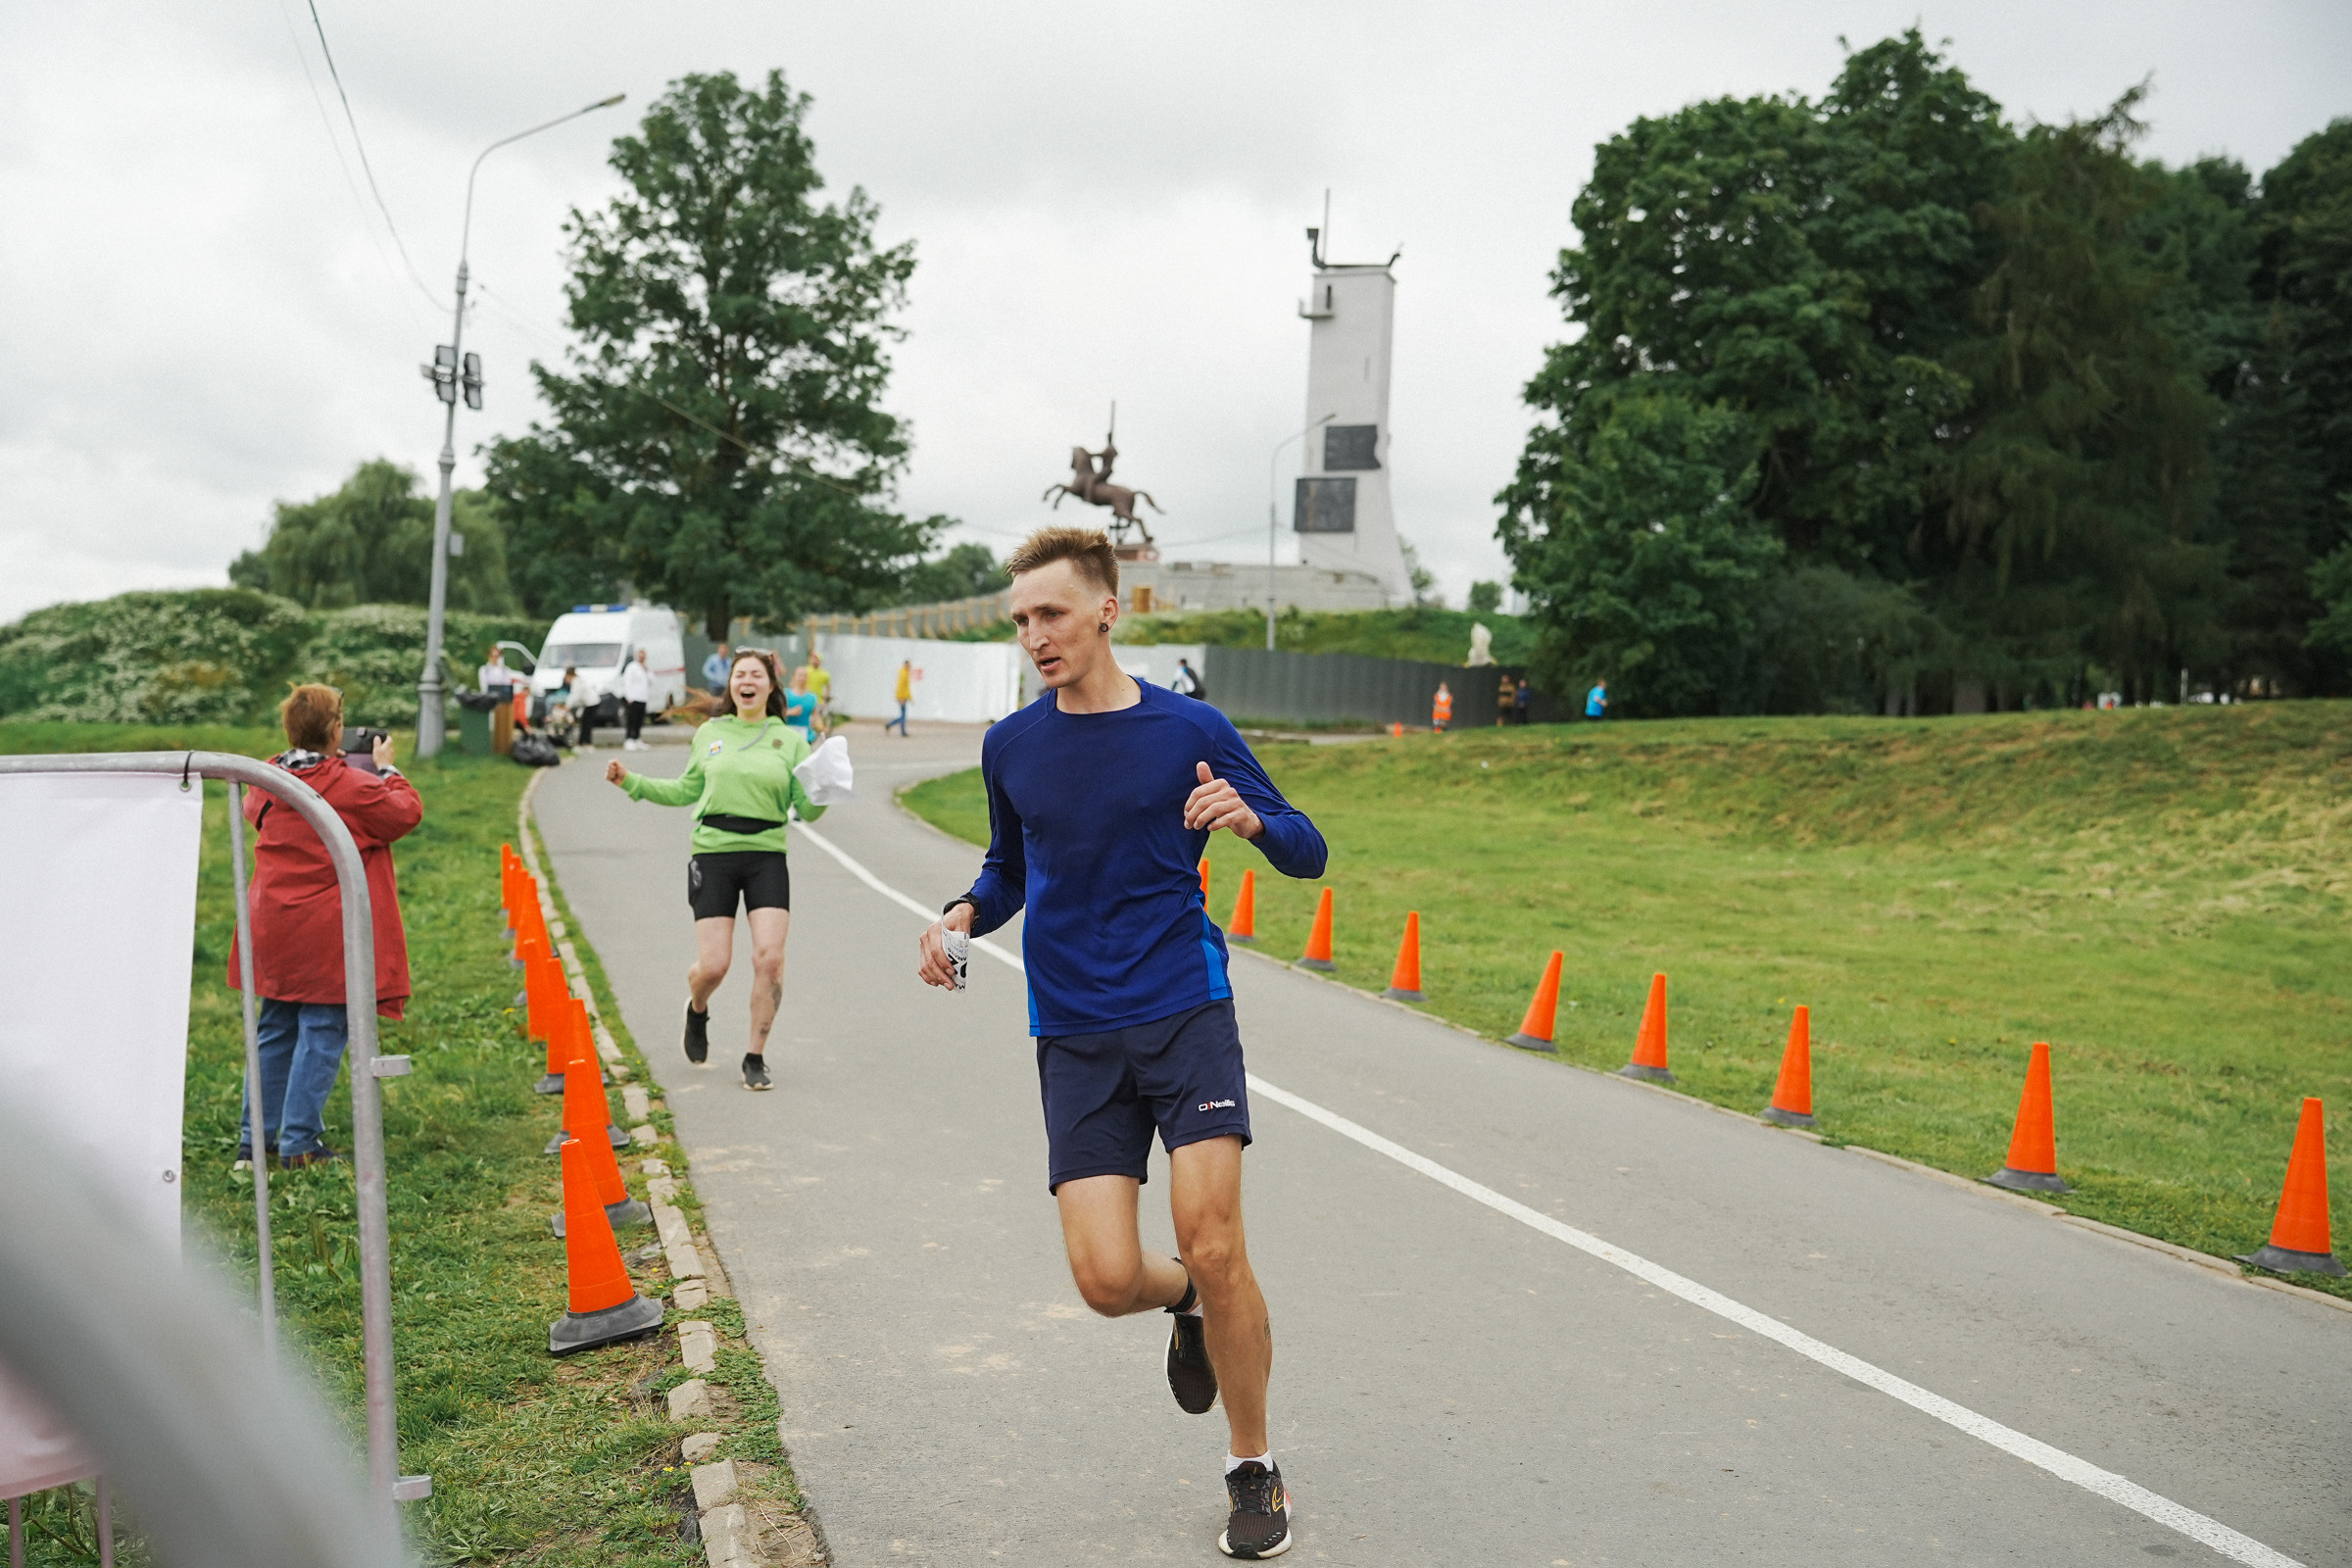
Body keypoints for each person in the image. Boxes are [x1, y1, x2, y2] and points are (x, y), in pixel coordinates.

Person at [915, 525, 1327, 1560]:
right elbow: (1011, 869)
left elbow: (1307, 849)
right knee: (1105, 1279)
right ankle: (1184, 1301)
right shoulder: (1012, 745)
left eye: (1051, 613)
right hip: (1074, 1029)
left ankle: (1252, 1463)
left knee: (1216, 1237)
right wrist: (963, 911)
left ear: (1110, 609)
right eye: (1020, 620)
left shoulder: (1191, 727)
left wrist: (1250, 820)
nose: (1034, 635)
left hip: (1184, 1004)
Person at [605, 649, 826, 1093]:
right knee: (714, 966)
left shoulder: (791, 739)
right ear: (731, 685)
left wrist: (827, 786)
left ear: (769, 686)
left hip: (767, 855)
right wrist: (633, 781)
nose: (747, 681)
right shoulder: (710, 733)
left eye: (756, 675)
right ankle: (698, 1007)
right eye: (739, 674)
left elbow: (807, 809)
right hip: (713, 854)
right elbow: (686, 789)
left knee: (770, 959)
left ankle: (754, 1057)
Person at [228, 684, 423, 1169]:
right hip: (325, 931)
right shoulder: (352, 788)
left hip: (273, 923)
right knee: (322, 1028)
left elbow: (259, 812)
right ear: (337, 729)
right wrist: (387, 770)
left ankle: (255, 1143)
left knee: (274, 1027)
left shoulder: (265, 778)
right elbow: (405, 813)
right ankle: (299, 1142)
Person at [479, 645, 516, 755]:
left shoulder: (505, 670)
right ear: (489, 656)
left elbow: (506, 685)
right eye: (493, 656)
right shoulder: (484, 670)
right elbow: (484, 686)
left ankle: (504, 747)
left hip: (503, 703)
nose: (495, 658)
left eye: (497, 656)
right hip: (490, 702)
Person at [621, 649, 653, 752]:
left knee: (639, 719)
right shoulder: (632, 667)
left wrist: (646, 670)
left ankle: (637, 738)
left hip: (643, 697)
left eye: (643, 656)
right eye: (640, 656)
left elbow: (651, 680)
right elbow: (627, 682)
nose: (642, 658)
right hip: (634, 698)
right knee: (632, 719)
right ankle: (629, 739)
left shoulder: (645, 668)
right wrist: (629, 697)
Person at [784, 666, 818, 742]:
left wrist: (821, 727)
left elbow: (816, 715)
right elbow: (777, 713)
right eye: (800, 675)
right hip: (788, 731)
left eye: (805, 676)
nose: (802, 678)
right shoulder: (785, 694)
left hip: (805, 733)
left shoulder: (812, 697)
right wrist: (790, 712)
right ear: (794, 677)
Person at [807, 651, 833, 734]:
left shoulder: (825, 674)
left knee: (815, 718)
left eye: (817, 659)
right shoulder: (806, 670)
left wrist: (824, 700)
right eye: (813, 659)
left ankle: (820, 731)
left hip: (818, 701)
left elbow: (828, 687)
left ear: (820, 661)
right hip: (806, 699)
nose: (814, 661)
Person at [887, 659, 912, 737]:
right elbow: (900, 686)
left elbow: (906, 687)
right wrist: (901, 698)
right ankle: (901, 730)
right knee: (903, 716)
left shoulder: (905, 673)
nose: (909, 666)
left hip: (904, 697)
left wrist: (909, 697)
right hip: (902, 697)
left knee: (902, 715)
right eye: (908, 665)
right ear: (905, 665)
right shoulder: (903, 673)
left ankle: (890, 725)